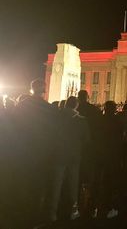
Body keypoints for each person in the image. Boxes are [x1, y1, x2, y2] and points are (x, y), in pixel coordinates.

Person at [15, 79, 58, 227]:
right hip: (42, 152)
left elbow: (13, 127)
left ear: (31, 89)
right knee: (39, 185)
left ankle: (20, 213)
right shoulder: (49, 109)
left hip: (24, 150)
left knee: (23, 182)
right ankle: (35, 217)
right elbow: (54, 132)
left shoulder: (20, 106)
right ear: (44, 90)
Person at [46, 96, 90, 221]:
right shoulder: (81, 120)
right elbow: (86, 139)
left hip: (58, 154)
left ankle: (52, 213)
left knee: (56, 184)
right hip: (74, 155)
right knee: (73, 184)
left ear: (65, 105)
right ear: (76, 105)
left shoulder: (55, 118)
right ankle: (73, 211)